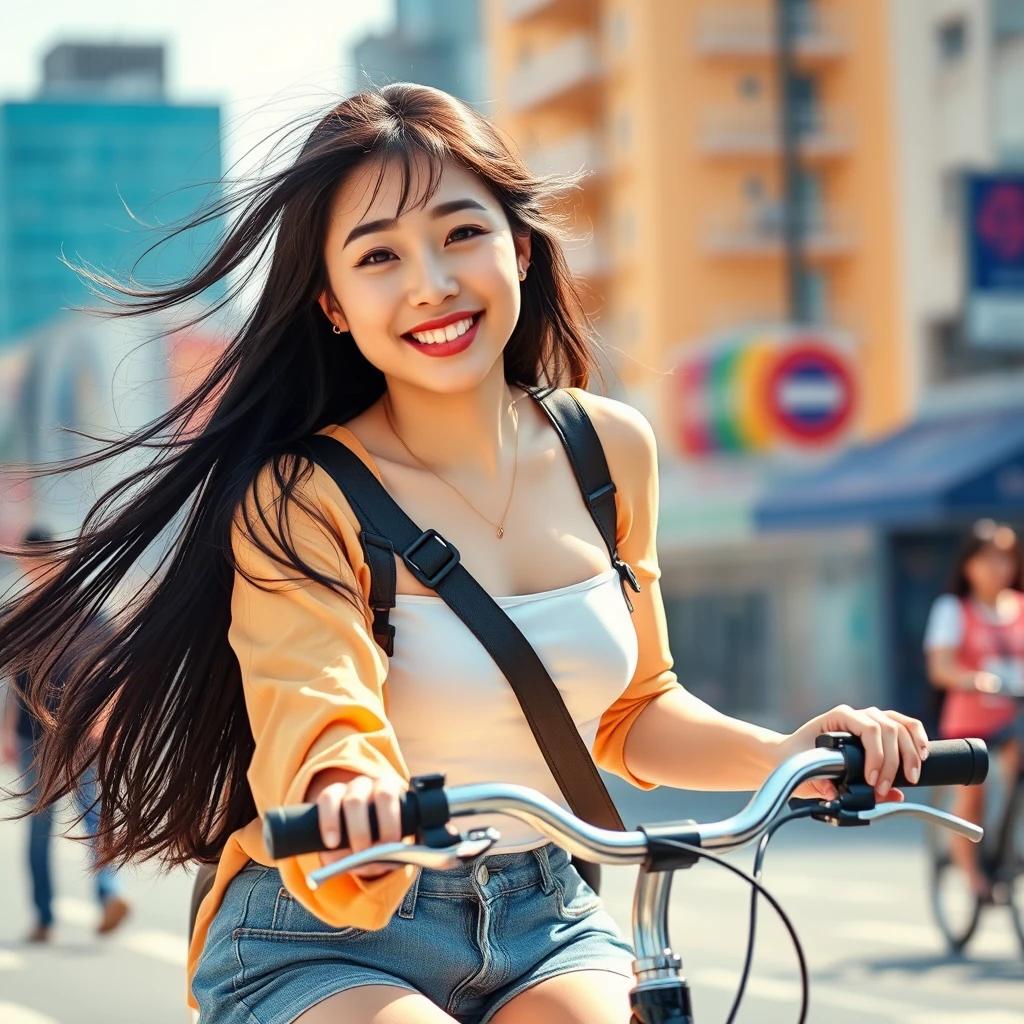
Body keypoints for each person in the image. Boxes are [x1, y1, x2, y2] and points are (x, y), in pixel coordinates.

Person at [0, 84, 931, 1024]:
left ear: (517, 247)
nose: (431, 284)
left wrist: (792, 753)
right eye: (379, 257)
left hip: (544, 913)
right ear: (331, 303)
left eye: (460, 234)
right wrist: (347, 787)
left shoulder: (608, 451)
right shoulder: (300, 494)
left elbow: (635, 711)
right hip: (324, 926)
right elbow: (314, 696)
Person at [0, 526, 130, 941]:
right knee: (40, 828)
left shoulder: (86, 612)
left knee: (93, 816)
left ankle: (109, 896)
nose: (32, 568)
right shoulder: (21, 615)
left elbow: (112, 671)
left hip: (79, 735)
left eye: (39, 560)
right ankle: (44, 916)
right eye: (27, 561)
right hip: (31, 737)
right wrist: (6, 730)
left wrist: (106, 719)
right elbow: (14, 683)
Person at [924, 519, 1024, 900]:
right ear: (969, 564)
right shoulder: (954, 609)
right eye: (988, 558)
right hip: (971, 724)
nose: (998, 567)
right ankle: (973, 876)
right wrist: (975, 680)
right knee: (972, 795)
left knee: (1018, 768)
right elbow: (941, 667)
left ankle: (1009, 840)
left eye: (1005, 558)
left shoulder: (1020, 608)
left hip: (1014, 719)